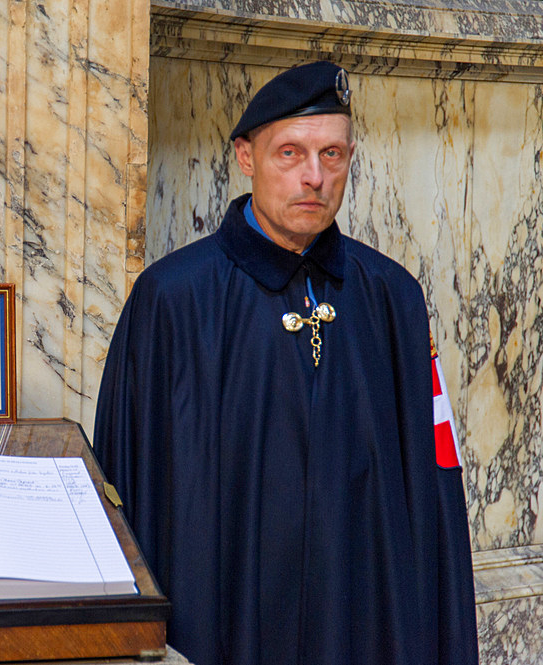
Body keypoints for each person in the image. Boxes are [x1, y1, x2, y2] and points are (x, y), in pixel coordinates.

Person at [93, 61, 478, 665]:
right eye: (290, 154)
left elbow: (433, 492)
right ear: (246, 157)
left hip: (362, 622)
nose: (314, 178)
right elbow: (126, 496)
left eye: (332, 155)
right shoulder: (171, 300)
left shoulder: (392, 297)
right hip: (219, 623)